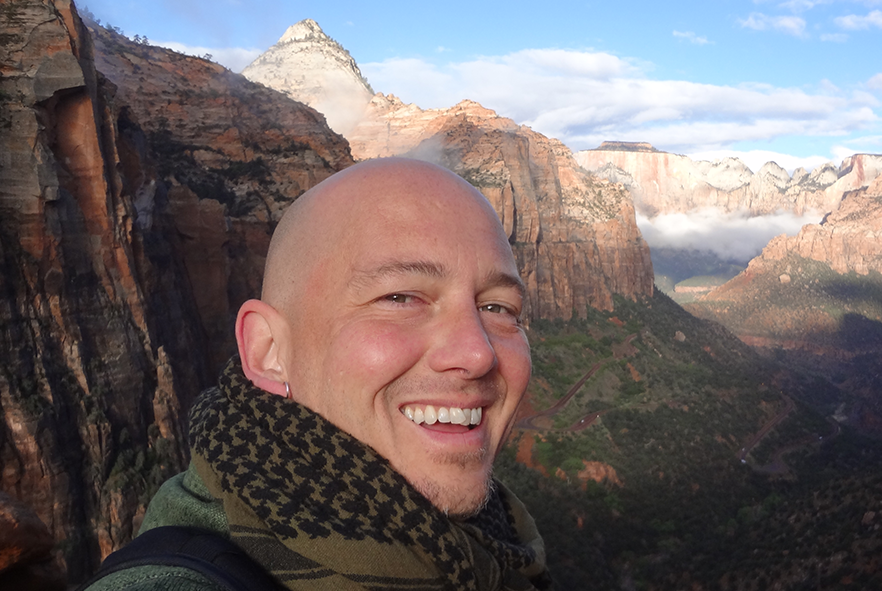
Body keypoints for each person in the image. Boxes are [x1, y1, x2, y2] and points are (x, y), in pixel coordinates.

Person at [82, 158, 551, 590]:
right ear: (268, 351)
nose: (477, 353)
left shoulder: (497, 548)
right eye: (400, 298)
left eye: (497, 307)